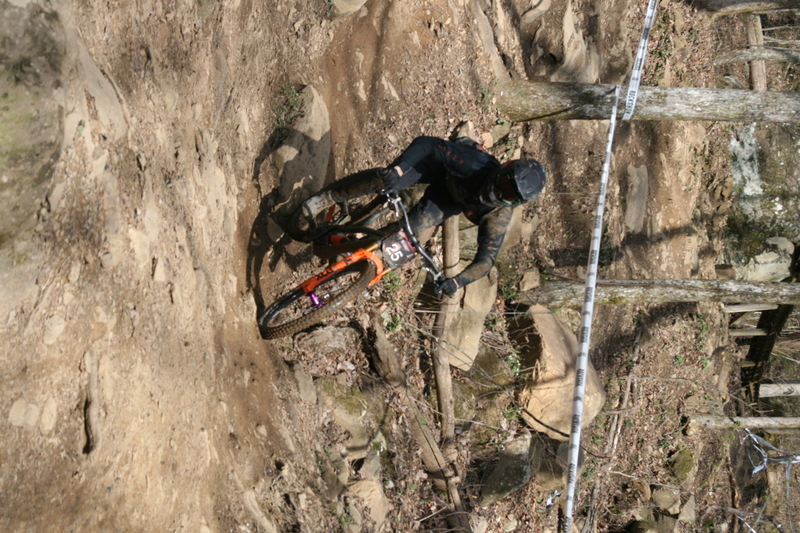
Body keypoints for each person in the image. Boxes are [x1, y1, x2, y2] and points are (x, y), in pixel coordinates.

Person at [317, 135, 546, 296]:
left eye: (508, 194)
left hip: (447, 200)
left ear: (516, 203)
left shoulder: (499, 216)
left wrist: (457, 281)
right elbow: (427, 145)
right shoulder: (476, 164)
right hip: (439, 169)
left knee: (406, 233)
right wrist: (397, 170)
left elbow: (486, 261)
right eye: (505, 183)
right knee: (387, 181)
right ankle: (327, 198)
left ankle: (356, 246)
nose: (500, 191)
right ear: (504, 167)